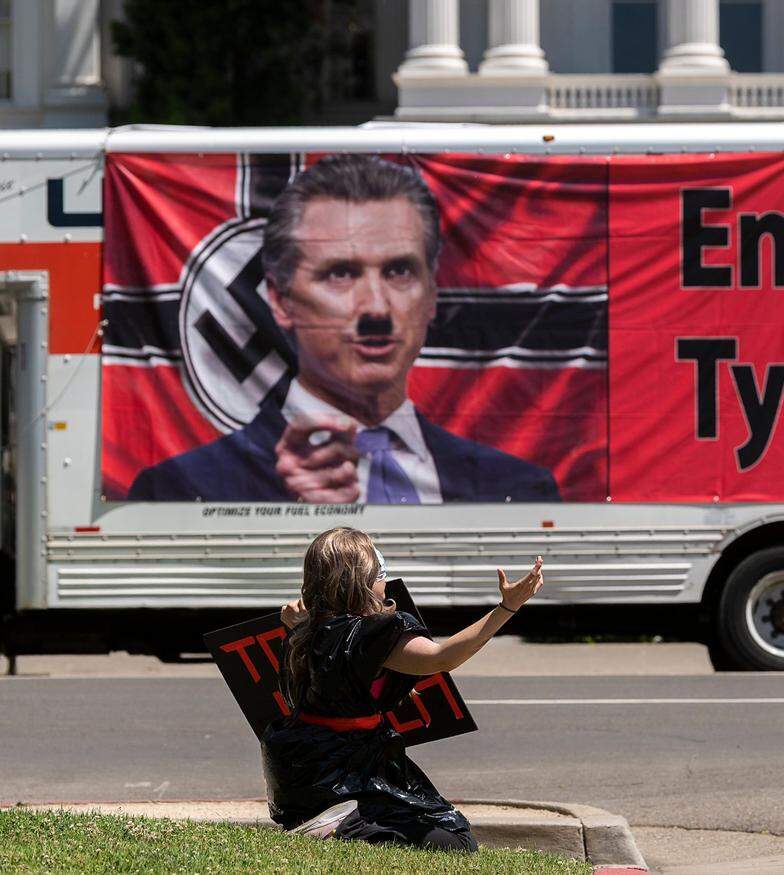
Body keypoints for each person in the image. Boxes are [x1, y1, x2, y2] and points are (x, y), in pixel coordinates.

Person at [128, 155, 560, 503]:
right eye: (340, 274)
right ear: (280, 301)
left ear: (431, 295)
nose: (376, 307)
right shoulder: (184, 490)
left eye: (399, 271)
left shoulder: (519, 490)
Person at [262, 526, 544, 848]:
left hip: (300, 772)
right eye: (382, 572)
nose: (387, 581)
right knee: (455, 839)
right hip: (347, 772)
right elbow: (441, 658)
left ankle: (332, 820)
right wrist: (507, 608)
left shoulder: (304, 629)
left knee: (434, 824)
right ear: (362, 578)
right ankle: (341, 829)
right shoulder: (369, 634)